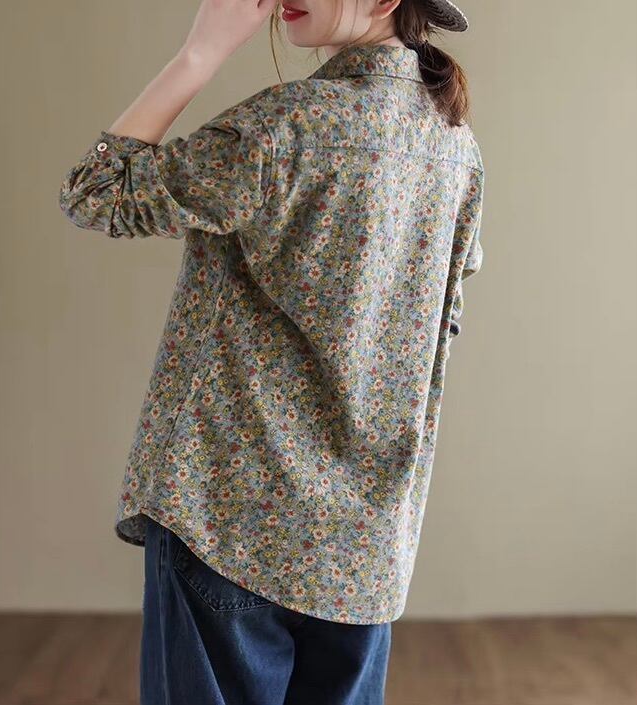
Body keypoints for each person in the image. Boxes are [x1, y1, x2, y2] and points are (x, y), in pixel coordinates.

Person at [58, 0, 484, 702]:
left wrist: (199, 54)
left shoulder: (285, 125)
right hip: (364, 543)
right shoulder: (456, 145)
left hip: (226, 513)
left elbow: (96, 191)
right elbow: (443, 316)